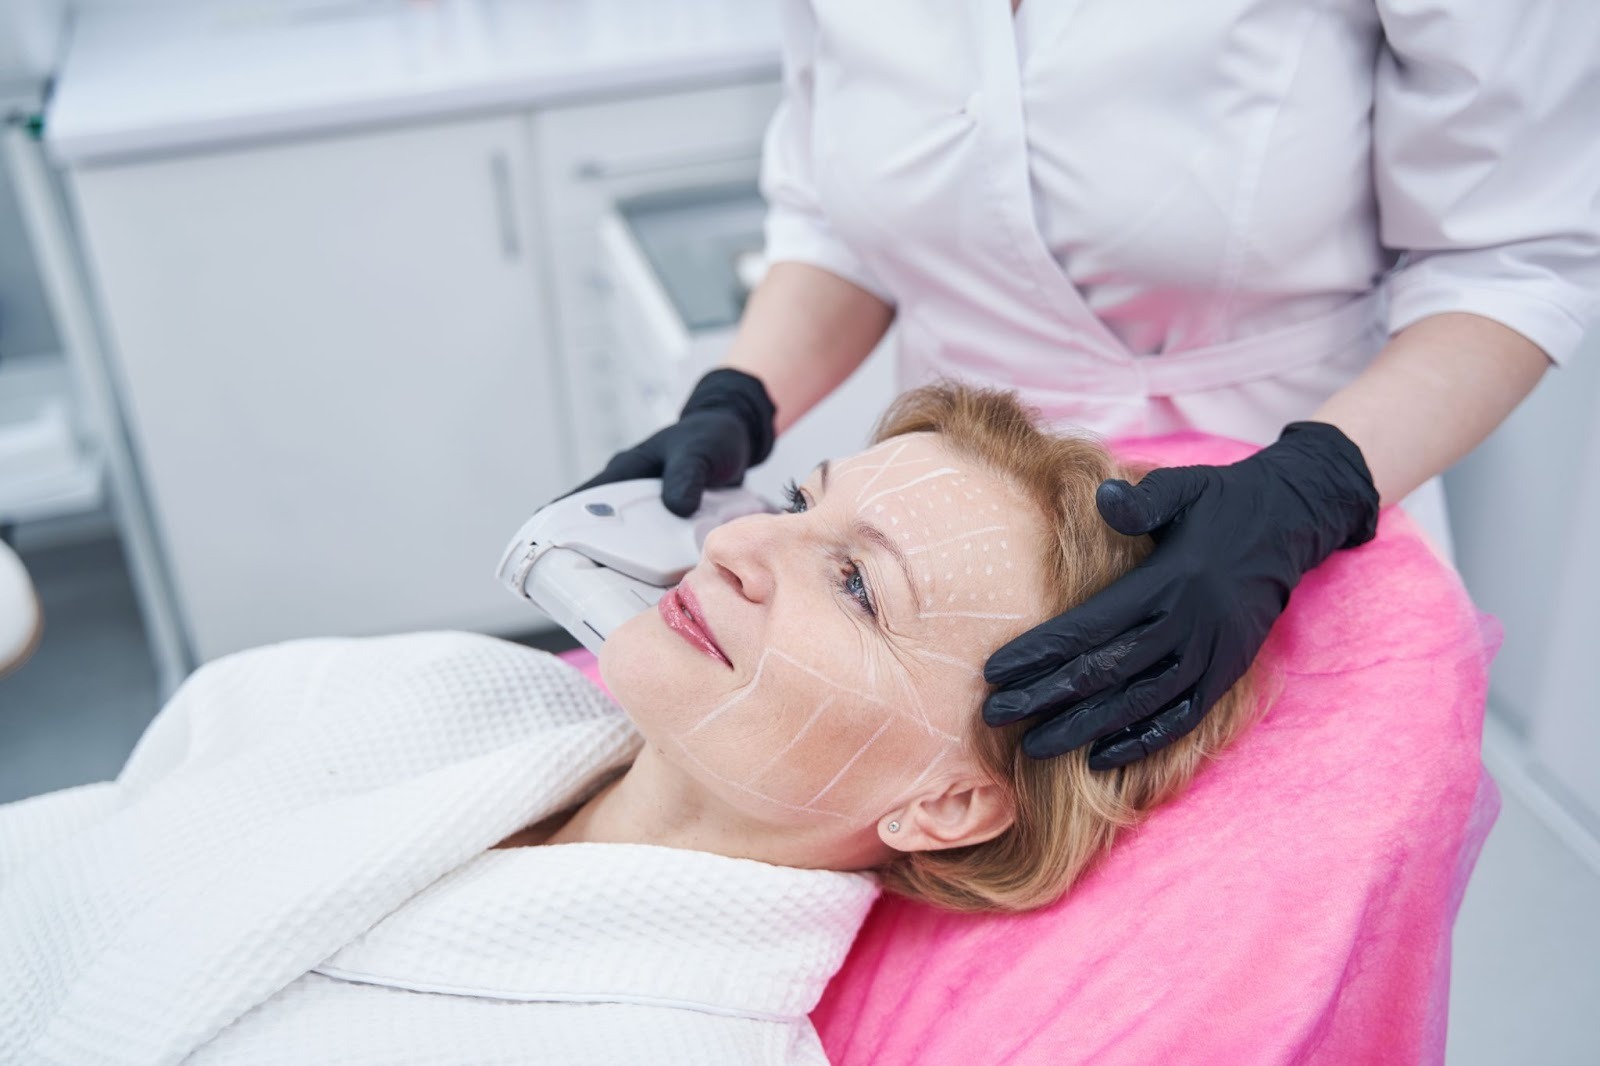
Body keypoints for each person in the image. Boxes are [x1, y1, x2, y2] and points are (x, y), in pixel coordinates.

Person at [0, 384, 1262, 1064]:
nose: (742, 542)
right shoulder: (444, 687)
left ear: (947, 800)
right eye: (795, 502)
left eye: (855, 584)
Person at [573, 0, 1600, 771]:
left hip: (1276, 533)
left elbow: (1513, 257)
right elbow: (838, 220)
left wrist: (1302, 495)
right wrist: (740, 395)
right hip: (951, 569)